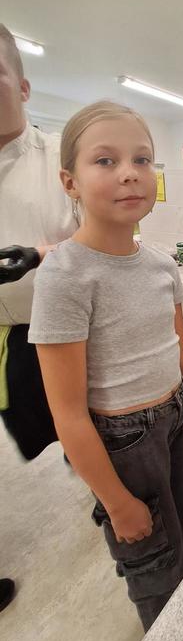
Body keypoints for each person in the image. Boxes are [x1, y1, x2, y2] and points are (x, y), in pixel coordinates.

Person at [28, 101, 183, 631]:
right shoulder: (64, 276)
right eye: (105, 160)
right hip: (123, 441)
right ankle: (168, 636)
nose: (130, 172)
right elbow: (68, 415)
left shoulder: (161, 265)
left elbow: (181, 350)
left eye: (142, 159)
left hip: (175, 417)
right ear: (70, 181)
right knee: (153, 557)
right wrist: (116, 502)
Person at [0, 23, 78, 459]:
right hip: (7, 348)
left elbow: (109, 244)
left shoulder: (64, 157)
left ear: (24, 88)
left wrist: (38, 256)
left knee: (91, 440)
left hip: (71, 338)